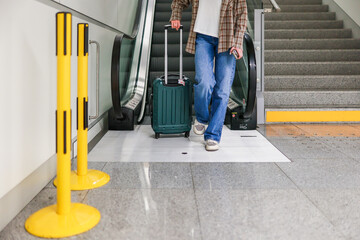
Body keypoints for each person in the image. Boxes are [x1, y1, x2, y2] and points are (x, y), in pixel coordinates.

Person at [170, 0, 248, 151]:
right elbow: (179, 1)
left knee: (223, 90)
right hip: (203, 37)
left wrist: (238, 43)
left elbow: (242, 15)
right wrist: (176, 15)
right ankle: (201, 117)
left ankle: (213, 135)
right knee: (204, 82)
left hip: (228, 40)